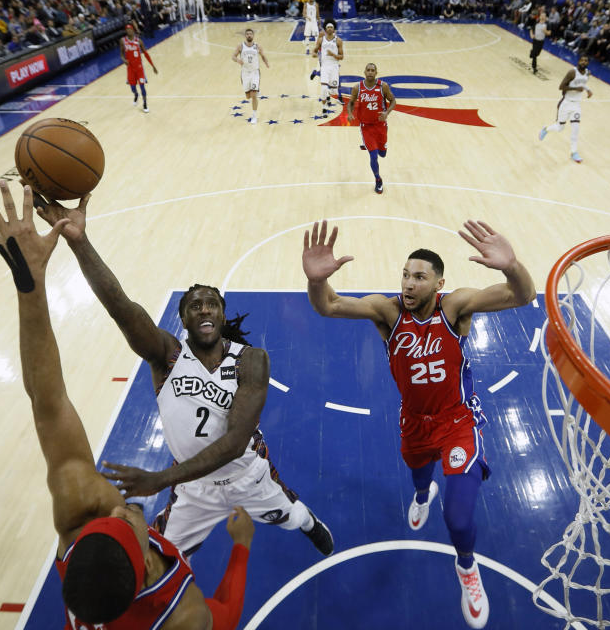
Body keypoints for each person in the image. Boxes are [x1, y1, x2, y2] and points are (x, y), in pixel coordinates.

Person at [0, 181, 255, 629]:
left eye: (106, 519)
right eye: (125, 523)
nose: (121, 508)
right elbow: (227, 615)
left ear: (72, 545)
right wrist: (240, 549)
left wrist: (29, 283)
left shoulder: (78, 515)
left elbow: (48, 402)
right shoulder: (182, 616)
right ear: (144, 569)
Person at [29, 191, 334, 562]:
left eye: (212, 304)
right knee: (159, 559)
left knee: (290, 516)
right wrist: (79, 242)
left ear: (222, 315)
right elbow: (121, 307)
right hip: (192, 490)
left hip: (247, 476)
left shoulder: (250, 361)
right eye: (195, 305)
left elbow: (237, 442)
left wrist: (159, 479)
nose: (204, 309)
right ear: (183, 318)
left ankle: (307, 522)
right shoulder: (168, 357)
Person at [301, 219, 536, 629]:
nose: (409, 284)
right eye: (406, 276)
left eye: (419, 277)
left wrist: (510, 265)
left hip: (457, 420)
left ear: (439, 282)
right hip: (414, 421)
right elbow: (329, 305)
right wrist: (316, 281)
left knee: (459, 518)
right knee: (418, 473)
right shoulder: (387, 311)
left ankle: (467, 569)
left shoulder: (455, 307)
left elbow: (523, 294)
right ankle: (423, 494)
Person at [346, 62, 396, 194]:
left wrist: (386, 113)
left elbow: (393, 101)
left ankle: (375, 146)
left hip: (380, 126)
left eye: (372, 70)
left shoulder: (383, 86)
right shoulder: (358, 88)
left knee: (382, 154)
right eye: (368, 70)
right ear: (364, 72)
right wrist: (350, 113)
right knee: (373, 156)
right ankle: (378, 180)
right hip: (366, 126)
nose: (370, 72)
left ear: (376, 72)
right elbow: (350, 103)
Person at [538, 54, 592, 163]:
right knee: (559, 128)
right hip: (566, 103)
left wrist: (588, 90)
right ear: (578, 61)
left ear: (588, 63)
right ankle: (546, 129)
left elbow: (583, 83)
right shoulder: (572, 72)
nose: (583, 62)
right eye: (582, 60)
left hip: (576, 105)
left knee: (575, 129)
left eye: (585, 60)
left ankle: (573, 152)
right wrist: (577, 89)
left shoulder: (588, 73)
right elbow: (561, 86)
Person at [232, 28, 270, 125]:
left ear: (253, 36)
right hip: (245, 73)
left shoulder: (257, 46)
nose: (249, 35)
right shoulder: (240, 46)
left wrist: (266, 63)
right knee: (248, 96)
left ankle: (254, 116)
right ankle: (256, 89)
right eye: (247, 34)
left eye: (250, 34)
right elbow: (233, 56)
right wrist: (237, 60)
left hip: (255, 72)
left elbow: (263, 55)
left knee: (253, 96)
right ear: (245, 36)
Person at [120, 23, 158, 113]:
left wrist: (153, 66)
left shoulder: (139, 41)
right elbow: (121, 54)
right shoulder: (123, 41)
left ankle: (145, 104)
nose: (129, 31)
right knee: (133, 88)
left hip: (139, 68)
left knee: (142, 87)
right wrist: (123, 60)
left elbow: (145, 54)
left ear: (133, 30)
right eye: (127, 29)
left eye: (130, 29)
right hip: (130, 69)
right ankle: (136, 94)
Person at [312, 19, 344, 110]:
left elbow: (342, 57)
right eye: (328, 27)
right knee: (323, 88)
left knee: (334, 91)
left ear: (334, 30)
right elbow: (314, 50)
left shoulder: (338, 41)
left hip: (334, 67)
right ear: (325, 29)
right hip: (324, 66)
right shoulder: (321, 40)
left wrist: (333, 55)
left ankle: (327, 93)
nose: (329, 29)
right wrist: (314, 54)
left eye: (331, 27)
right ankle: (324, 107)